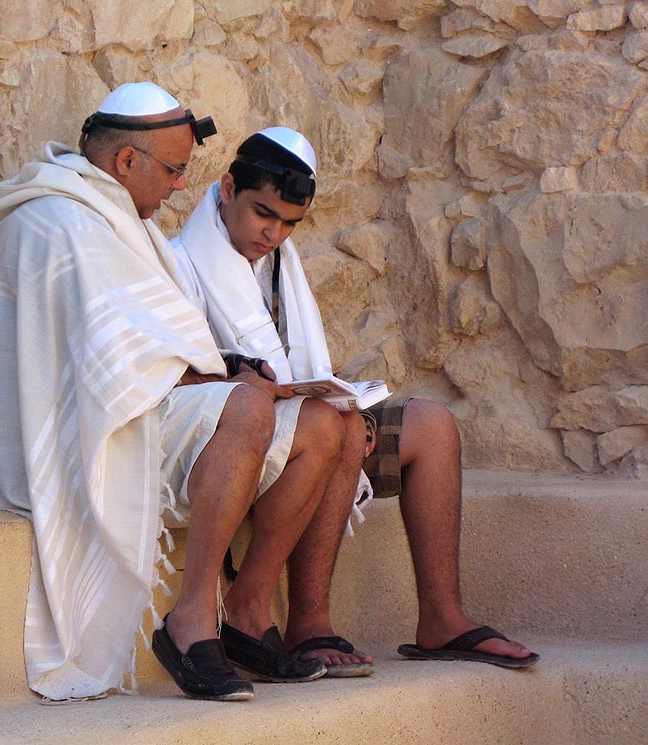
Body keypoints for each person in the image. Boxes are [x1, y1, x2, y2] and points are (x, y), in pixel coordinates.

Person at [0, 85, 349, 704]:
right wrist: (226, 379)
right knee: (248, 406)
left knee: (328, 426)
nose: (176, 188)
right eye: (172, 170)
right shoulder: (64, 223)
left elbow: (133, 348)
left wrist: (221, 372)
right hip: (89, 435)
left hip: (126, 406)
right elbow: (114, 372)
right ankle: (190, 620)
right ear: (125, 162)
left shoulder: (99, 213)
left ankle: (247, 614)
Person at [173, 127, 540, 674]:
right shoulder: (180, 263)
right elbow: (183, 379)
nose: (274, 233)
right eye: (263, 214)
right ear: (226, 188)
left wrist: (344, 401)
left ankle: (442, 619)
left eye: (290, 223)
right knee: (335, 428)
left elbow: (301, 370)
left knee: (432, 427)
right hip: (240, 441)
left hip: (304, 421)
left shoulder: (278, 264)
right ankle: (308, 625)